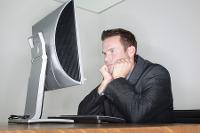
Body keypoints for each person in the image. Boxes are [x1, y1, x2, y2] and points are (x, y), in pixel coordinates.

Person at [78, 28, 174, 123]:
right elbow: (82, 116)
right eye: (105, 54)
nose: (106, 59)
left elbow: (139, 116)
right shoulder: (111, 80)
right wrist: (104, 84)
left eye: (112, 51)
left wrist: (119, 79)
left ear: (130, 51)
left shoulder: (157, 74)